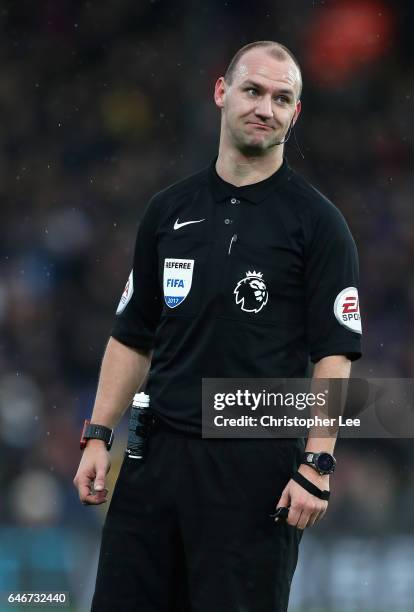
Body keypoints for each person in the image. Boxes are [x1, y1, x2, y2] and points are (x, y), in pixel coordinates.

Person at [73, 40, 362, 612]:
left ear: (295, 114)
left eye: (283, 99)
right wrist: (99, 435)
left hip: (253, 469)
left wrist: (317, 462)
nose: (266, 108)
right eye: (253, 90)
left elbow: (335, 354)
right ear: (221, 92)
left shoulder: (319, 224)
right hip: (154, 459)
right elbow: (134, 335)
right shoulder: (167, 211)